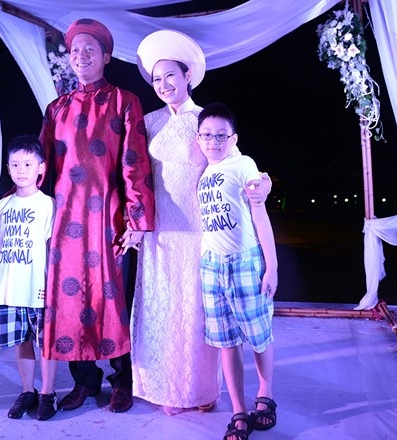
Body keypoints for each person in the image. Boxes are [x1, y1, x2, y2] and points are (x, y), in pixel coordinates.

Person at [131, 30, 271, 416]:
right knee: (165, 312)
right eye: (157, 79)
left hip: (200, 233)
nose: (163, 85)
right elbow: (135, 176)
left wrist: (265, 183)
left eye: (170, 76)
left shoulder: (204, 120)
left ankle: (203, 390)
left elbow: (238, 163)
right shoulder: (149, 122)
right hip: (161, 232)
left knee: (198, 316)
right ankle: (171, 391)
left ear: (187, 75)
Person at [39, 18, 155, 414]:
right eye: (75, 51)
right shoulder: (56, 109)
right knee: (70, 300)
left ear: (106, 56)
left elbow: (134, 163)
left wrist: (136, 221)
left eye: (90, 49)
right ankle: (84, 381)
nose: (81, 56)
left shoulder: (124, 101)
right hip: (65, 222)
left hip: (110, 220)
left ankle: (123, 380)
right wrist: (14, 205)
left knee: (114, 299)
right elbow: (41, 169)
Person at [196, 103, 278, 440]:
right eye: (206, 135)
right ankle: (238, 410)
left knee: (258, 336)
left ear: (233, 139)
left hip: (244, 262)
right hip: (211, 266)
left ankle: (265, 393)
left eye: (221, 135)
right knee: (227, 343)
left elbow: (259, 214)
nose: (213, 141)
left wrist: (272, 266)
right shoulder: (204, 173)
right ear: (198, 139)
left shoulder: (243, 164)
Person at [0, 135, 58, 421]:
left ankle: (48, 393)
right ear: (8, 168)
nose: (21, 170)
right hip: (11, 289)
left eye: (28, 164)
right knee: (22, 342)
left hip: (39, 289)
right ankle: (28, 391)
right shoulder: (0, 207)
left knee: (46, 343)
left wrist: (54, 289)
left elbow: (52, 250)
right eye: (15, 164)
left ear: (40, 168)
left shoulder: (48, 205)